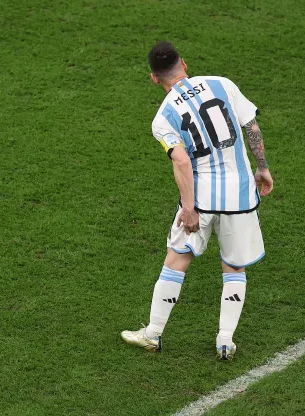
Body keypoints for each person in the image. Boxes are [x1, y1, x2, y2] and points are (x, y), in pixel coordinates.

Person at [121, 41, 273, 360]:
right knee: (234, 266)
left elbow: (181, 162)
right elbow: (251, 126)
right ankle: (225, 340)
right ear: (185, 63)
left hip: (202, 199)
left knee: (176, 260)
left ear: (154, 78)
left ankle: (152, 335)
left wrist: (188, 208)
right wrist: (262, 168)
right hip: (241, 196)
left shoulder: (163, 117)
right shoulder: (223, 84)